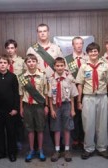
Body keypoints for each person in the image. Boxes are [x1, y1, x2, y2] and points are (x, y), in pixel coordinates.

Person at [26, 23, 64, 152]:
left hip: (54, 85)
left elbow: (62, 65)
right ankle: (36, 148)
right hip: (38, 88)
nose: (42, 33)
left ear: (48, 32)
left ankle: (57, 147)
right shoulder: (32, 49)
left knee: (55, 117)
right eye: (40, 31)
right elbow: (28, 70)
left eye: (45, 31)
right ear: (37, 33)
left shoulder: (56, 48)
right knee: (37, 118)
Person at [76, 42, 108, 160]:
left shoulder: (105, 65)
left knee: (102, 124)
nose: (93, 53)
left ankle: (102, 148)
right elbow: (80, 85)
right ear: (87, 53)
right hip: (88, 98)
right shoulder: (84, 67)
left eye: (95, 51)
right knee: (88, 124)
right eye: (91, 51)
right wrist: (79, 101)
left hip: (102, 97)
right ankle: (88, 148)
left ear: (98, 52)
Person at [0, 55, 19, 162]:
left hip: (10, 110)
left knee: (11, 132)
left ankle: (12, 153)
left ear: (8, 65)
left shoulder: (13, 77)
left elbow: (16, 93)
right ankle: (0, 152)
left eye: (5, 63)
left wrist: (16, 108)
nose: (2, 64)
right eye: (0, 62)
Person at [19, 54, 49, 162]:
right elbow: (21, 94)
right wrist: (21, 108)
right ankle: (31, 150)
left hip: (39, 106)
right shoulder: (22, 77)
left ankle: (40, 149)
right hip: (27, 106)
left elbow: (46, 92)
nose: (31, 63)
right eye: (29, 61)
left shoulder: (42, 75)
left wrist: (46, 105)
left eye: (33, 61)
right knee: (30, 129)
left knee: (40, 129)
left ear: (37, 63)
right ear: (26, 63)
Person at [48, 57, 78, 162]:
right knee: (56, 128)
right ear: (54, 67)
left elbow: (73, 96)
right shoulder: (51, 79)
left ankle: (67, 150)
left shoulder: (69, 78)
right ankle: (57, 150)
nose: (60, 67)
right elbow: (50, 97)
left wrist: (73, 109)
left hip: (67, 105)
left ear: (64, 66)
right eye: (57, 66)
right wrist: (51, 110)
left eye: (61, 65)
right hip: (56, 106)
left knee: (67, 128)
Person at [65, 37, 88, 150]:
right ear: (73, 45)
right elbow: (64, 74)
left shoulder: (88, 58)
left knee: (85, 116)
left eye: (80, 43)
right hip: (72, 90)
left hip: (86, 90)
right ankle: (75, 139)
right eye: (76, 44)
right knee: (74, 116)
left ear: (83, 44)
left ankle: (84, 139)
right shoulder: (68, 59)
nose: (78, 45)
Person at [5, 39, 25, 151]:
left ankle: (19, 141)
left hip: (18, 93)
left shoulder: (21, 62)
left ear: (16, 49)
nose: (10, 50)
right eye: (8, 48)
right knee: (7, 118)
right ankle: (8, 141)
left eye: (12, 48)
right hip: (6, 93)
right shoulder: (3, 61)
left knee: (18, 119)